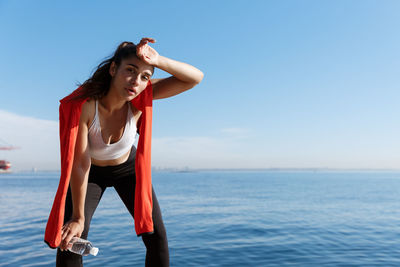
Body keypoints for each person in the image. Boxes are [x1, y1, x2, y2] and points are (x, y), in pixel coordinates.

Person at [44, 37, 203, 267]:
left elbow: (195, 78)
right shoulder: (87, 105)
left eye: (145, 76)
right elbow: (80, 163)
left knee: (156, 235)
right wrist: (78, 217)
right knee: (71, 239)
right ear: (112, 69)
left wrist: (158, 60)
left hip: (127, 169)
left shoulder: (142, 96)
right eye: (130, 71)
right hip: (91, 173)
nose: (136, 81)